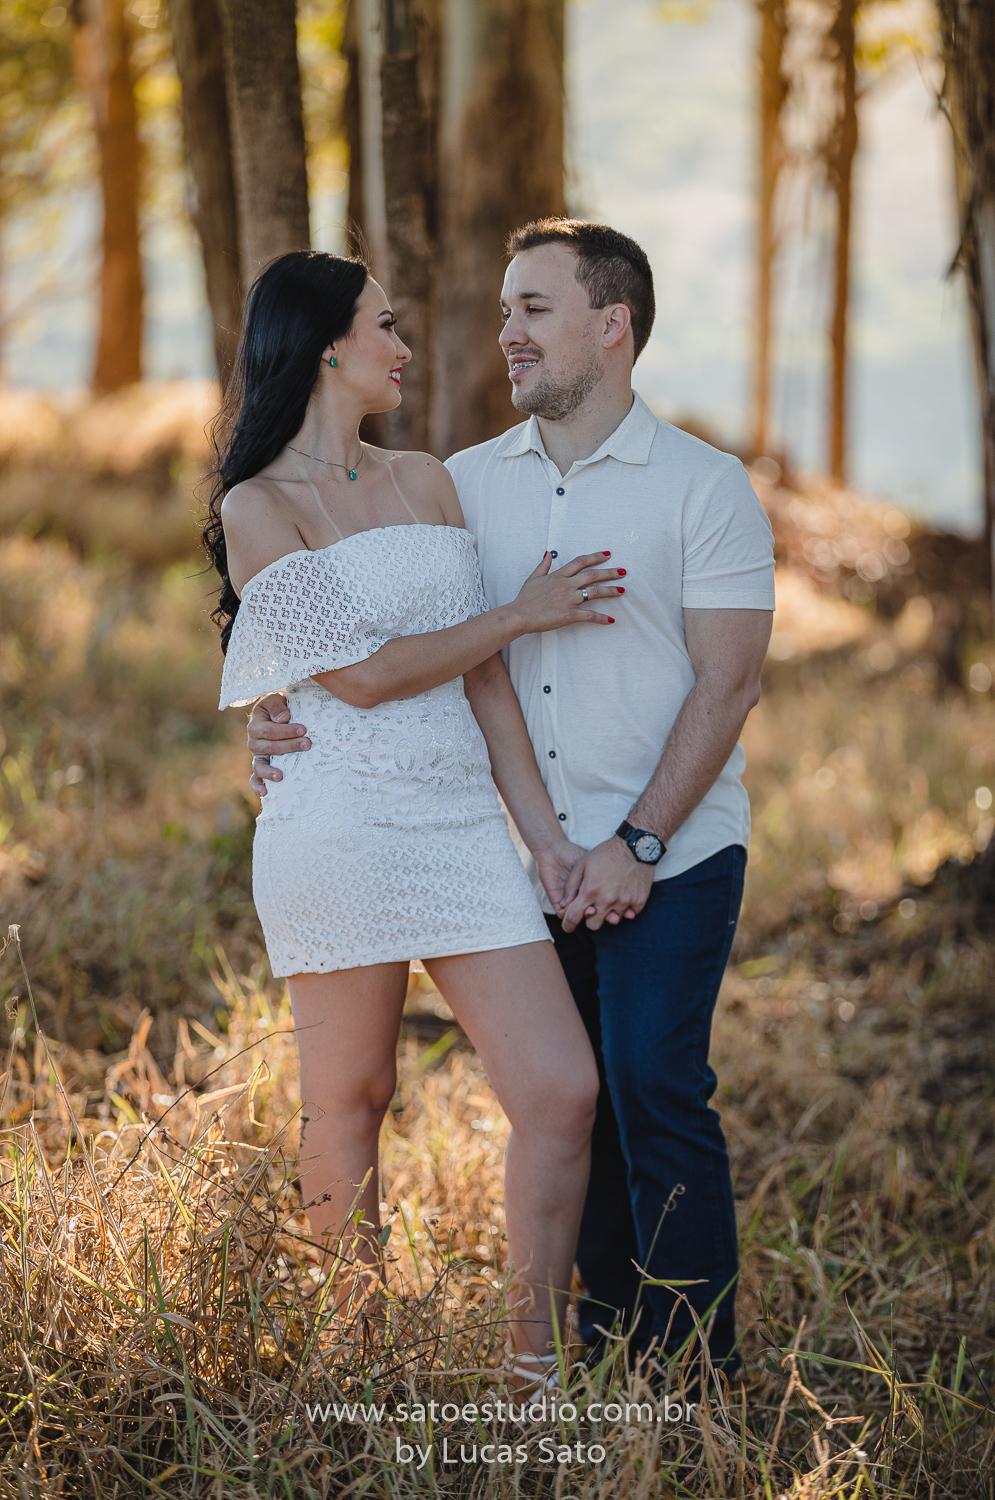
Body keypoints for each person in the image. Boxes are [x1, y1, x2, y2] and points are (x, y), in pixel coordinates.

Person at [248, 221, 775, 1376]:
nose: (502, 334)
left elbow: (728, 681)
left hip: (638, 847)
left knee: (630, 1085)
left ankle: (669, 1373)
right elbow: (371, 647)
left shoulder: (698, 485)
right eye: (502, 310)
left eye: (530, 309)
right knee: (463, 1094)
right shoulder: (461, 481)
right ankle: (493, 1356)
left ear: (610, 324)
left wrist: (616, 840)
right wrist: (277, 710)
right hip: (454, 842)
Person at [207, 248, 619, 1383]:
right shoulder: (257, 506)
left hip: (457, 829)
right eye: (385, 327)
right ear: (329, 345)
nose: (404, 347)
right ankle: (357, 1367)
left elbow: (483, 687)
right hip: (335, 826)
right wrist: (521, 613)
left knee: (561, 1089)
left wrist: (541, 839)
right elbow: (362, 678)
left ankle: (530, 1364)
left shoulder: (428, 479)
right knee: (353, 1097)